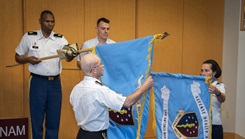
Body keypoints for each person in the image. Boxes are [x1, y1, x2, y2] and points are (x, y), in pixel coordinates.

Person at [15, 10, 74, 139]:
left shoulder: (60, 39)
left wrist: (71, 55)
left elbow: (69, 56)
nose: (50, 24)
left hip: (55, 84)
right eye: (47, 21)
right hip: (37, 82)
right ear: (40, 21)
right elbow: (18, 57)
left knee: (53, 119)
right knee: (37, 119)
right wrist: (27, 59)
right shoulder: (29, 37)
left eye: (52, 21)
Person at [70, 53, 154, 139]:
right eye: (100, 64)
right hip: (96, 136)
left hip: (81, 134)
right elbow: (127, 103)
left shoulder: (76, 89)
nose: (103, 66)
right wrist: (144, 87)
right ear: (93, 70)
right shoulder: (99, 90)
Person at [200, 59, 226, 139]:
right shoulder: (197, 86)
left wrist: (216, 91)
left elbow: (222, 98)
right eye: (202, 70)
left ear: (214, 73)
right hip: (200, 125)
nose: (203, 73)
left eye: (206, 70)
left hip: (214, 126)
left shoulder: (219, 85)